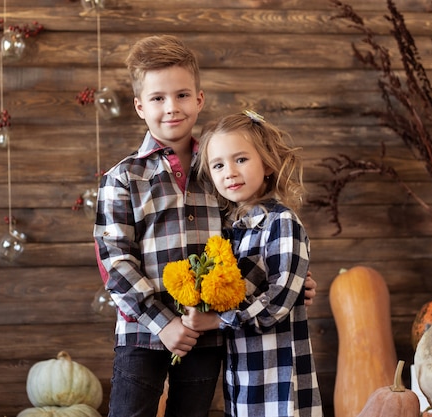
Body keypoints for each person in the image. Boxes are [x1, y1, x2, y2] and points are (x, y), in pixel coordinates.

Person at [94, 35, 318, 417]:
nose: (171, 108)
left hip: (207, 334)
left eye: (182, 95)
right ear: (139, 107)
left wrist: (289, 281)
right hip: (142, 333)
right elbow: (114, 262)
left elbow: (252, 238)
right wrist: (162, 323)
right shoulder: (123, 178)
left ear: (199, 99)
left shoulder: (219, 171)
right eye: (158, 98)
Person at [182, 110, 323, 417]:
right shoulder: (227, 231)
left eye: (241, 159)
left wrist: (217, 321)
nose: (229, 172)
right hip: (242, 378)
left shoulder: (281, 223)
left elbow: (277, 302)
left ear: (268, 164)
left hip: (278, 375)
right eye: (218, 165)